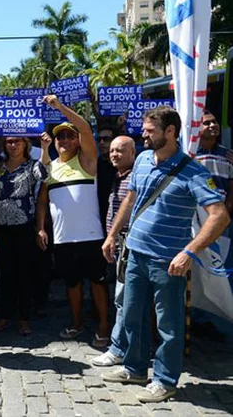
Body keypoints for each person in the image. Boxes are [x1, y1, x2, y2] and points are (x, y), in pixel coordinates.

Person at [101, 106, 230, 403]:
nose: (143, 135)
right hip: (135, 252)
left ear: (170, 132)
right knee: (131, 314)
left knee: (168, 325)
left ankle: (165, 380)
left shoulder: (193, 171)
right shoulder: (144, 159)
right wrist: (112, 235)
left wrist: (189, 252)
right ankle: (134, 368)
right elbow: (132, 198)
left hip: (168, 261)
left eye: (150, 131)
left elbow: (219, 216)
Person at [36, 96, 111, 347]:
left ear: (78, 140)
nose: (65, 141)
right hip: (63, 237)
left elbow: (86, 129)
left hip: (91, 236)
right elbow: (43, 201)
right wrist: (40, 227)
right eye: (60, 137)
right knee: (72, 283)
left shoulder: (88, 161)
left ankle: (103, 327)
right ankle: (76, 324)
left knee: (98, 284)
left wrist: (59, 108)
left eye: (70, 136)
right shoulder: (51, 167)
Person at [0, 136, 48, 337]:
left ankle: (23, 318)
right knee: (5, 274)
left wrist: (46, 148)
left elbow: (45, 174)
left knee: (24, 273)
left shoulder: (31, 166)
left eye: (17, 141)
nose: (13, 145)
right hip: (1, 227)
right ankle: (4, 315)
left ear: (25, 144)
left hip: (24, 227)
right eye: (9, 142)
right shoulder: (0, 165)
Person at [92, 136, 136, 366]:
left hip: (129, 244)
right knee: (124, 298)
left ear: (133, 152)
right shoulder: (117, 177)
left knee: (124, 298)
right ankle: (128, 346)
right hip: (118, 246)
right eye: (111, 151)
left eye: (120, 150)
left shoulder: (135, 177)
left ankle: (121, 349)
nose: (115, 155)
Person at [97, 126, 118, 233]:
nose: (101, 143)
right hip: (99, 220)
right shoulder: (95, 165)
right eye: (99, 139)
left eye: (106, 139)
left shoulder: (126, 166)